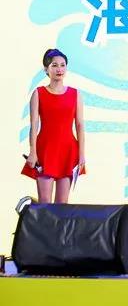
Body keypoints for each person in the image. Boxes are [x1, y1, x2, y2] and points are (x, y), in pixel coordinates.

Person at [21, 49, 86, 204]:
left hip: (68, 151)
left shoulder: (75, 94)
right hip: (45, 150)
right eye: (54, 65)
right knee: (44, 203)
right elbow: (34, 125)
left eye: (63, 65)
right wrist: (33, 152)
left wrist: (82, 154)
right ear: (46, 69)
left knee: (62, 204)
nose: (59, 69)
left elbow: (79, 125)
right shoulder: (39, 93)